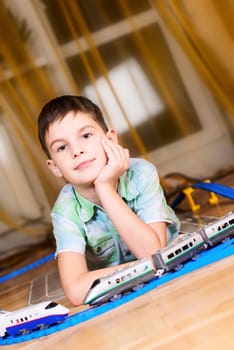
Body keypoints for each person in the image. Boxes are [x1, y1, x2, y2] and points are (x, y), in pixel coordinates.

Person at [37, 95, 179, 306]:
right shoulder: (65, 210)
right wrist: (144, 266)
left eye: (85, 135)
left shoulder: (141, 173)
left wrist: (104, 188)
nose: (77, 151)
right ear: (54, 167)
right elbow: (76, 291)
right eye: (62, 148)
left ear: (110, 140)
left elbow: (152, 252)